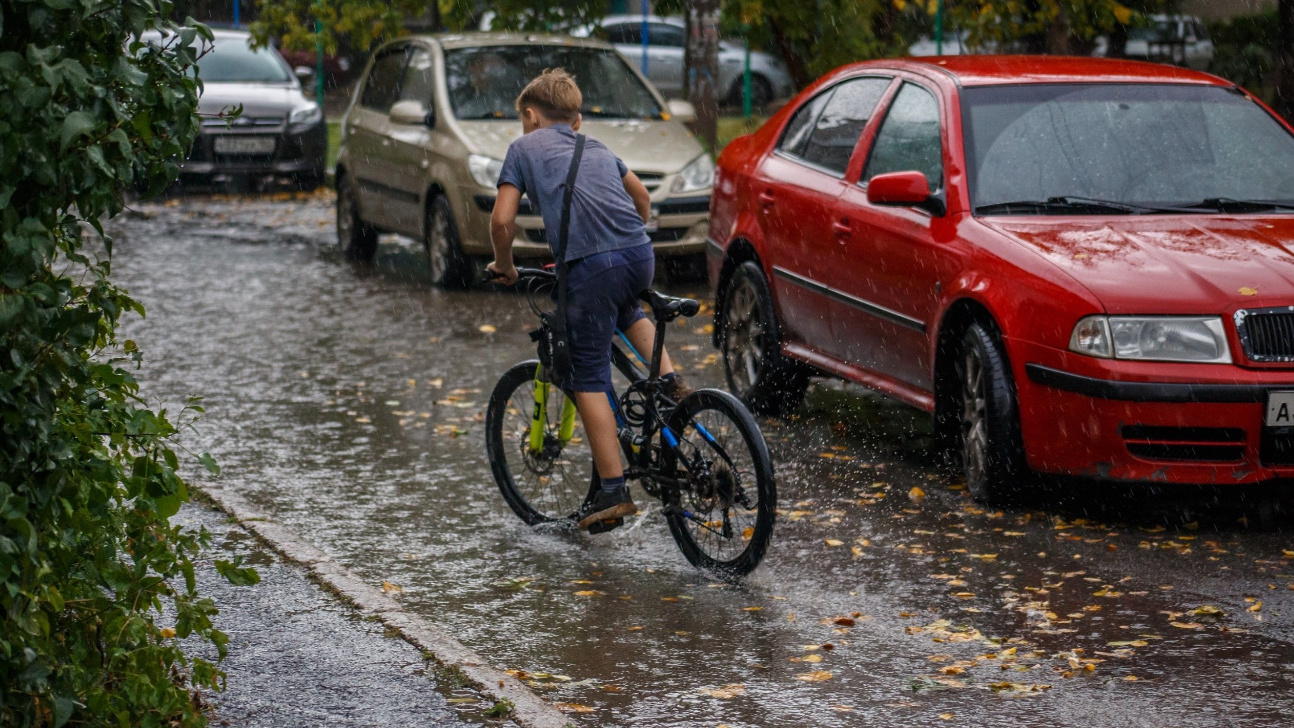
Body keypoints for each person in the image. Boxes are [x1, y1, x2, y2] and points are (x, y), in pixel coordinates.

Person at [486, 68, 684, 531]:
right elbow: (641, 198)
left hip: (590, 265)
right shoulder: (595, 145)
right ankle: (673, 387)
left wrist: (505, 265)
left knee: (585, 373)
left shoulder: (522, 148)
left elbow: (501, 222)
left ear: (531, 116)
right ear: (574, 120)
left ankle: (613, 491)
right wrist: (623, 238)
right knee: (627, 309)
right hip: (638, 254)